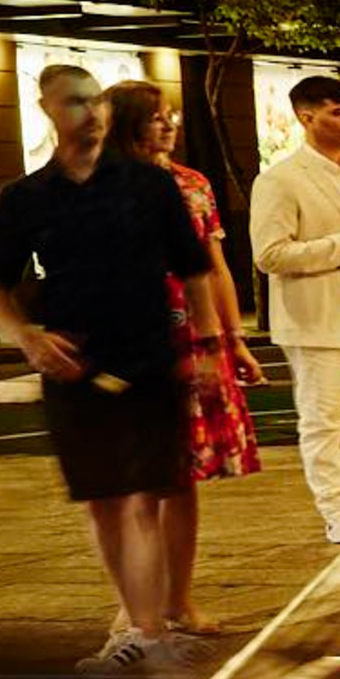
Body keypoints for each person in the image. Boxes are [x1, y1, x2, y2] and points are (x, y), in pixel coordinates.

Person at [0, 64, 220, 674]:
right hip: (74, 365)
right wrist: (25, 337)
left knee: (146, 497)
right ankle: (137, 625)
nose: (89, 112)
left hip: (149, 358)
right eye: (73, 102)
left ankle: (151, 629)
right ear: (47, 109)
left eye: (94, 100)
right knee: (103, 501)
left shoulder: (149, 185)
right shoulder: (25, 196)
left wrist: (210, 347)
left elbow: (195, 269)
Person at [106, 81, 258, 639]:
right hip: (132, 345)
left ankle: (178, 601)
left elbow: (214, 265)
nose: (168, 124)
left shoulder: (192, 185)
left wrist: (232, 338)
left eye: (170, 115)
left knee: (182, 479)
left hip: (195, 340)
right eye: (154, 117)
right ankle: (133, 606)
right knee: (138, 481)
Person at [248, 73, 340, 548]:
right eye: (337, 113)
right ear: (307, 118)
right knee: (322, 422)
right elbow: (270, 255)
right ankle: (338, 510)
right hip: (316, 321)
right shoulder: (280, 180)